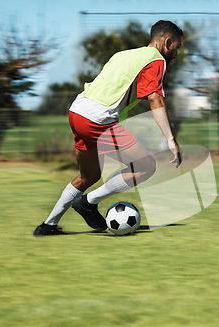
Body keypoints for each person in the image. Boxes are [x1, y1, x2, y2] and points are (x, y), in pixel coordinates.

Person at [34, 20, 183, 236]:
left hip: (77, 112)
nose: (176, 53)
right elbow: (154, 98)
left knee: (89, 175)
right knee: (145, 167)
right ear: (167, 41)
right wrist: (171, 139)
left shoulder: (123, 54)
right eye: (177, 47)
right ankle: (88, 202)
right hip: (98, 119)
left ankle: (47, 226)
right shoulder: (156, 60)